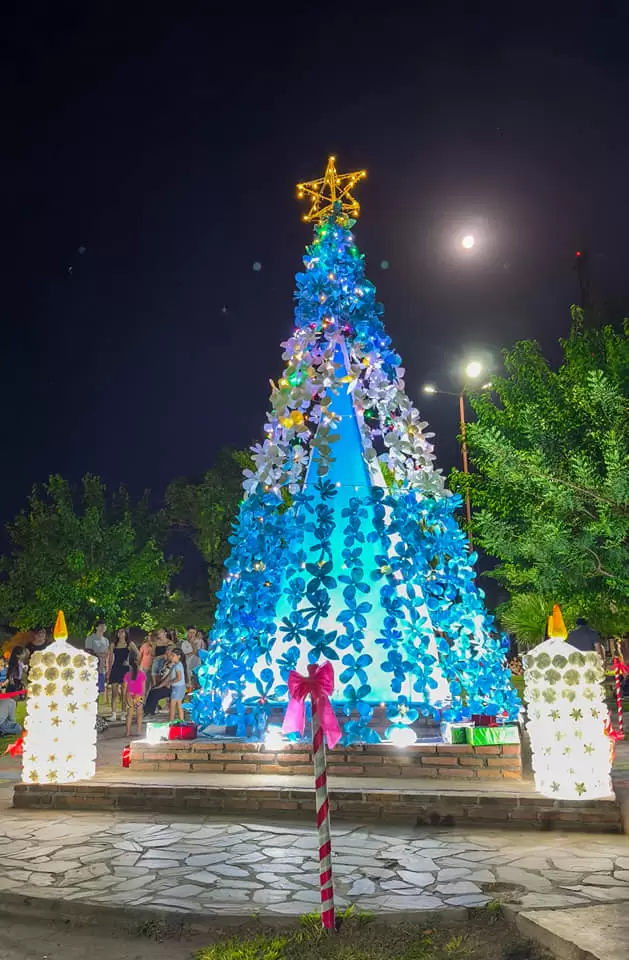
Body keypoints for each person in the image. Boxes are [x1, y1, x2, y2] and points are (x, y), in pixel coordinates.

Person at [108, 628, 139, 720]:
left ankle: (123, 713)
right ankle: (113, 714)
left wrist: (133, 663)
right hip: (115, 668)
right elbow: (110, 658)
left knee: (124, 692)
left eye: (122, 632)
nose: (120, 633)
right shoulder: (113, 644)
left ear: (126, 634)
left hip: (125, 669)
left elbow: (138, 653)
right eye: (119, 632)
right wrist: (109, 669)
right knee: (114, 692)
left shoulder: (130, 644)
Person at [144, 650, 174, 716]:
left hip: (171, 686)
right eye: (166, 653)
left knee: (155, 692)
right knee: (152, 691)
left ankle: (150, 711)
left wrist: (159, 686)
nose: (166, 655)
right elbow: (160, 674)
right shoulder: (166, 663)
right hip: (163, 684)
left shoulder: (174, 665)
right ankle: (147, 711)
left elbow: (168, 679)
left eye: (168, 654)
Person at [123, 653, 145, 738]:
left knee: (129, 714)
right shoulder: (142, 674)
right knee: (139, 714)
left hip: (130, 695)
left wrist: (124, 696)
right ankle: (138, 731)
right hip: (138, 696)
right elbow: (143, 687)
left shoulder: (127, 674)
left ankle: (127, 731)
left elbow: (125, 686)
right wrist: (143, 695)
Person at [85, 620, 109, 696]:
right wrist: (98, 654)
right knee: (91, 690)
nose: (103, 627)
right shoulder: (90, 638)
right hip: (92, 668)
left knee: (99, 691)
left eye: (104, 626)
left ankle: (96, 706)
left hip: (102, 668)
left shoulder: (106, 640)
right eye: (101, 626)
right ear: (96, 627)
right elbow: (88, 652)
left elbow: (107, 653)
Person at [168, 647, 187, 722]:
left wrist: (170, 682)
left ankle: (171, 722)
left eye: (173, 655)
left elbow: (179, 678)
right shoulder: (178, 665)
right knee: (179, 705)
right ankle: (181, 721)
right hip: (179, 687)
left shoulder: (178, 665)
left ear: (178, 656)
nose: (171, 657)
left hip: (178, 687)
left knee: (172, 706)